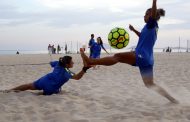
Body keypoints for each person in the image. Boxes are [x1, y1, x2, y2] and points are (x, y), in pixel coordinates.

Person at [80, 0, 178, 103]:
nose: (144, 16)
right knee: (149, 84)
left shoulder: (152, 23)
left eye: (146, 14)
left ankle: (91, 62)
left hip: (141, 55)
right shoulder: (150, 27)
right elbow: (142, 36)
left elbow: (153, 12)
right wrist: (134, 30)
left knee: (117, 56)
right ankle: (172, 99)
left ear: (151, 15)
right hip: (148, 59)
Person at [6, 55, 90, 95]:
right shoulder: (67, 72)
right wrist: (84, 69)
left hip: (44, 80)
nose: (73, 62)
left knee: (29, 85)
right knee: (53, 91)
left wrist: (50, 62)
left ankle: (10, 90)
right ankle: (40, 94)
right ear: (67, 64)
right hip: (51, 87)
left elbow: (51, 63)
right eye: (72, 62)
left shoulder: (58, 63)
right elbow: (78, 77)